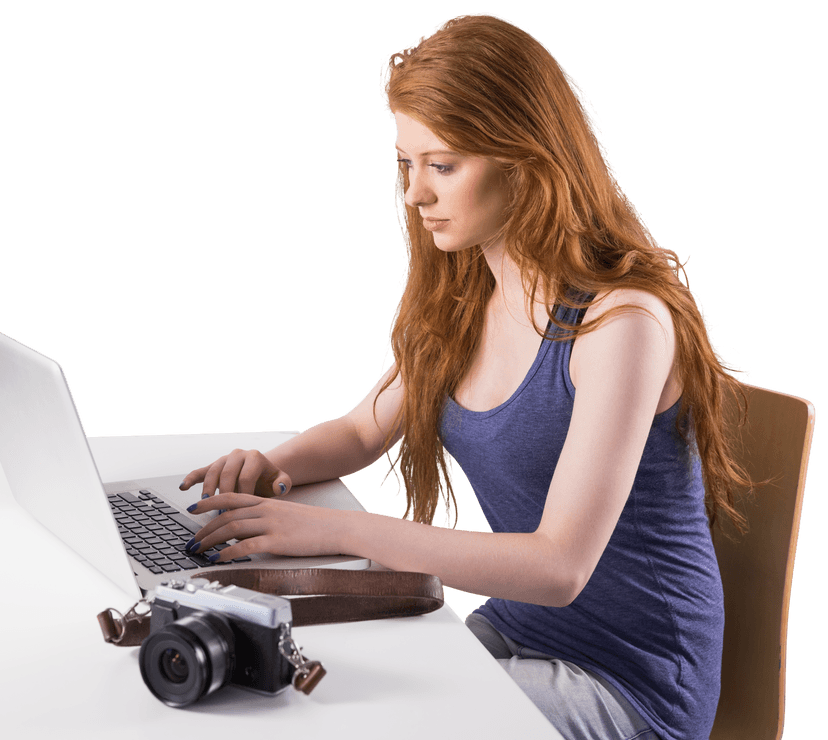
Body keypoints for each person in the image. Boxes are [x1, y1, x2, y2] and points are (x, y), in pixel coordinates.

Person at [178, 13, 751, 740]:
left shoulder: (623, 325)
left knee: (366, 720)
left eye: (442, 166)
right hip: (520, 633)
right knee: (314, 690)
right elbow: (361, 429)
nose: (415, 196)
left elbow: (557, 567)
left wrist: (331, 530)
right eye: (405, 164)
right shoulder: (464, 299)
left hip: (631, 685)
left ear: (528, 161)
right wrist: (272, 469)